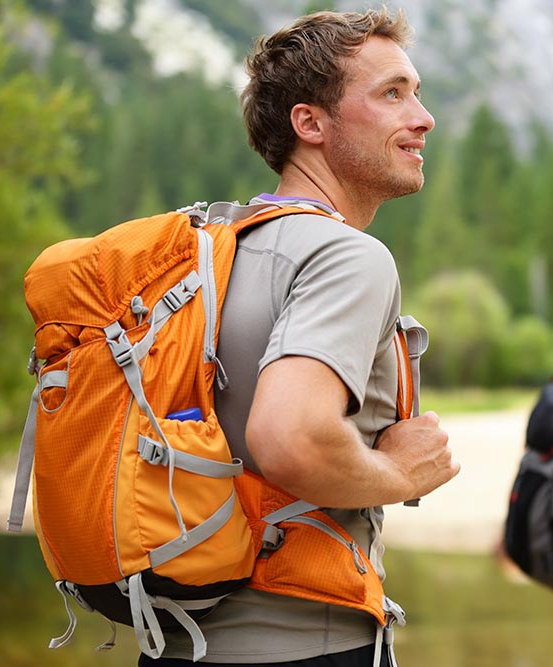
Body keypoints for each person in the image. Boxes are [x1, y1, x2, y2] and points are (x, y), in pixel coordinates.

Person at [141, 8, 460, 666]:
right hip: (303, 646)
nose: (423, 117)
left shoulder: (205, 258)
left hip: (171, 643)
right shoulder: (347, 257)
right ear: (310, 124)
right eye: (392, 93)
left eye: (417, 93)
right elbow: (288, 438)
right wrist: (399, 472)